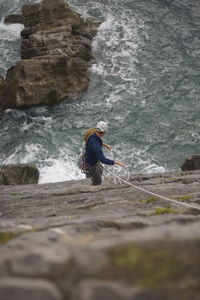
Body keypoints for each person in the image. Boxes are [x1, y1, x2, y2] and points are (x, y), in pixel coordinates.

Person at [81, 121, 125, 185]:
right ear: (103, 132)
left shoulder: (92, 134)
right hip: (92, 166)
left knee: (100, 170)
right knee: (97, 183)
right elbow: (103, 159)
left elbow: (94, 143)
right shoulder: (97, 147)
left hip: (90, 160)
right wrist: (116, 162)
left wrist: (105, 145)